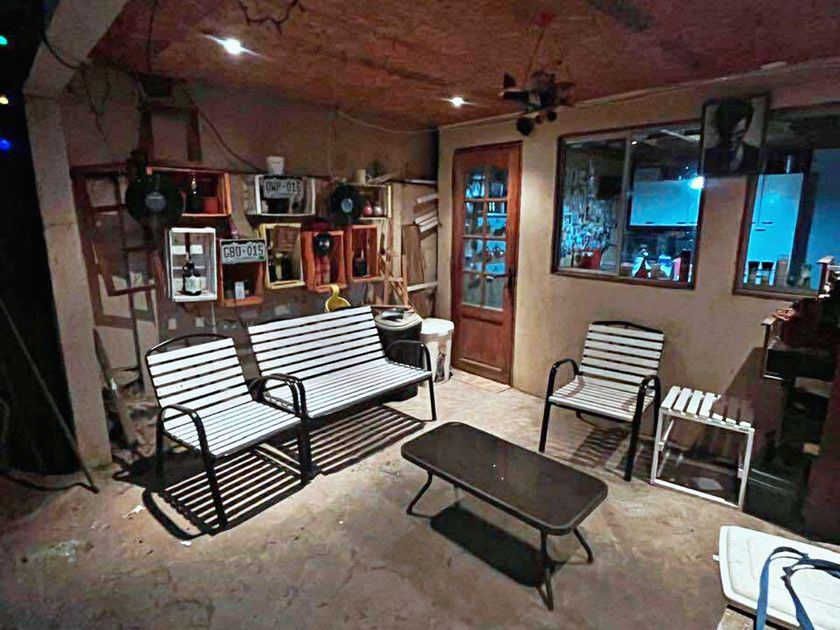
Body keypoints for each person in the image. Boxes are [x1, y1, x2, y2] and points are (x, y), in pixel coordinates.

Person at [702, 98, 760, 175]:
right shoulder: (708, 157)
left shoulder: (755, 155)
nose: (732, 139)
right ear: (720, 129)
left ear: (747, 129)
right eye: (727, 133)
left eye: (739, 133)